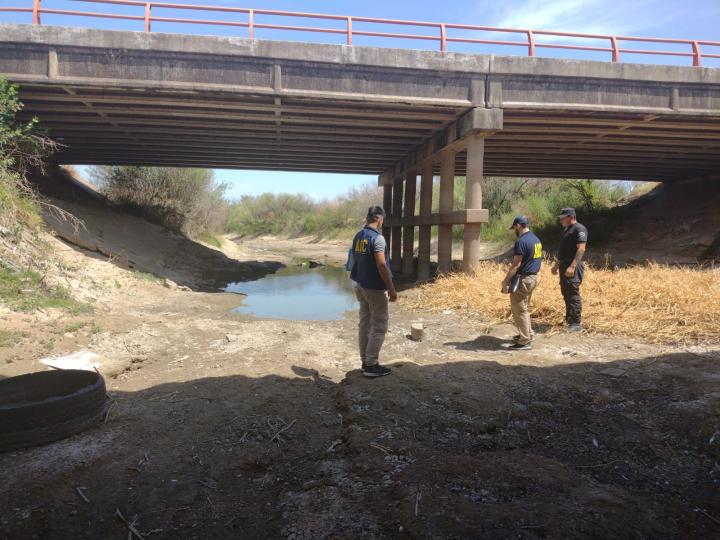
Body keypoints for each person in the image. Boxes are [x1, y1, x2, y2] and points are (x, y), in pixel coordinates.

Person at [349, 206, 397, 378]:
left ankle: (365, 361)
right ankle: (370, 365)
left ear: (367, 217)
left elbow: (354, 260)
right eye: (382, 219)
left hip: (359, 284)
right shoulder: (378, 239)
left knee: (365, 323)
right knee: (379, 325)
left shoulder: (358, 236)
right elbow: (381, 265)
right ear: (379, 219)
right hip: (374, 288)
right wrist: (391, 289)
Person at [501, 215, 543, 350]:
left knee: (519, 310)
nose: (514, 230)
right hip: (533, 278)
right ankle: (528, 334)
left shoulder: (521, 241)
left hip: (524, 279)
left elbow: (516, 265)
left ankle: (524, 340)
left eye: (514, 227)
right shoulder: (536, 239)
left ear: (518, 225)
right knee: (524, 308)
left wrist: (505, 281)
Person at [551, 208, 588, 332]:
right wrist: (556, 265)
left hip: (572, 266)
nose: (560, 220)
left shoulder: (579, 229)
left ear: (570, 216)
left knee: (572, 293)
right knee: (566, 292)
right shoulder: (567, 230)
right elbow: (563, 251)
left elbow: (581, 248)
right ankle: (569, 319)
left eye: (562, 217)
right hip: (564, 265)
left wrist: (572, 266)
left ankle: (576, 323)